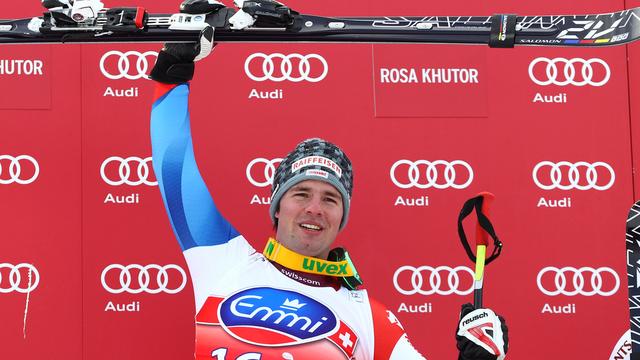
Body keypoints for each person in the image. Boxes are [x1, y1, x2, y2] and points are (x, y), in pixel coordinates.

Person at [148, 1, 508, 359]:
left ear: (342, 216)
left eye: (331, 199)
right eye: (301, 193)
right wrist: (172, 75)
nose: (315, 209)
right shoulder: (224, 260)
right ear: (277, 205)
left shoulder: (370, 319)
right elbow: (175, 171)